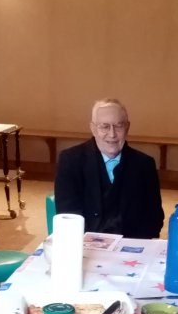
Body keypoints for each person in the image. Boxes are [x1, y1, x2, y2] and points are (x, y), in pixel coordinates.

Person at [54, 98, 164, 238]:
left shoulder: (144, 164)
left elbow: (154, 218)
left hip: (130, 249)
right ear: (93, 129)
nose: (112, 134)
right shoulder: (70, 160)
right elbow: (67, 215)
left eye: (118, 126)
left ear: (127, 127)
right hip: (86, 247)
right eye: (104, 127)